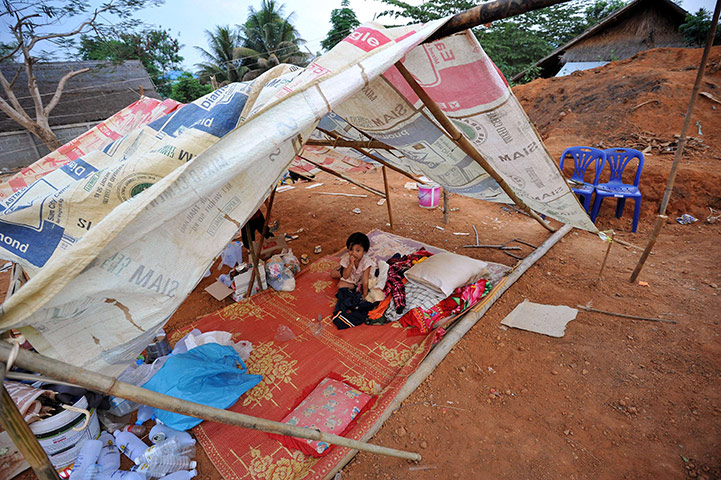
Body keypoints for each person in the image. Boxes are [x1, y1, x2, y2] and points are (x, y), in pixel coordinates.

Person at [331, 232, 374, 298]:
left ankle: (356, 287)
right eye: (351, 249)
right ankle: (342, 269)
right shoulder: (347, 259)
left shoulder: (366, 262)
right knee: (333, 274)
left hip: (360, 279)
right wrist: (351, 264)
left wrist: (365, 294)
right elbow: (345, 276)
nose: (353, 253)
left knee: (340, 285)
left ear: (364, 252)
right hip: (351, 275)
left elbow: (365, 280)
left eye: (358, 250)